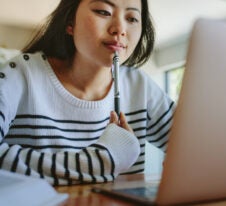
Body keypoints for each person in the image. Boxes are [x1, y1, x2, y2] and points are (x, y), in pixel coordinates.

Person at [0, 0, 175, 185]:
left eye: (132, 18)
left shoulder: (140, 85)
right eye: (103, 11)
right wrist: (101, 162)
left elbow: (197, 147)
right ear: (70, 23)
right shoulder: (19, 74)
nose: (119, 29)